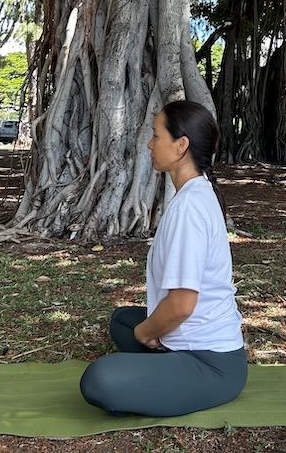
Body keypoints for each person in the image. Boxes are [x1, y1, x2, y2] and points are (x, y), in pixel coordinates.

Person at [79, 100, 247, 417]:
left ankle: (163, 363)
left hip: (211, 364)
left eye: (156, 136)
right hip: (190, 342)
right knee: (121, 320)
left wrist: (146, 334)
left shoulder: (189, 208)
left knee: (99, 379)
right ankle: (162, 359)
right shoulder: (197, 192)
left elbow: (183, 303)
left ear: (181, 146)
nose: (149, 143)